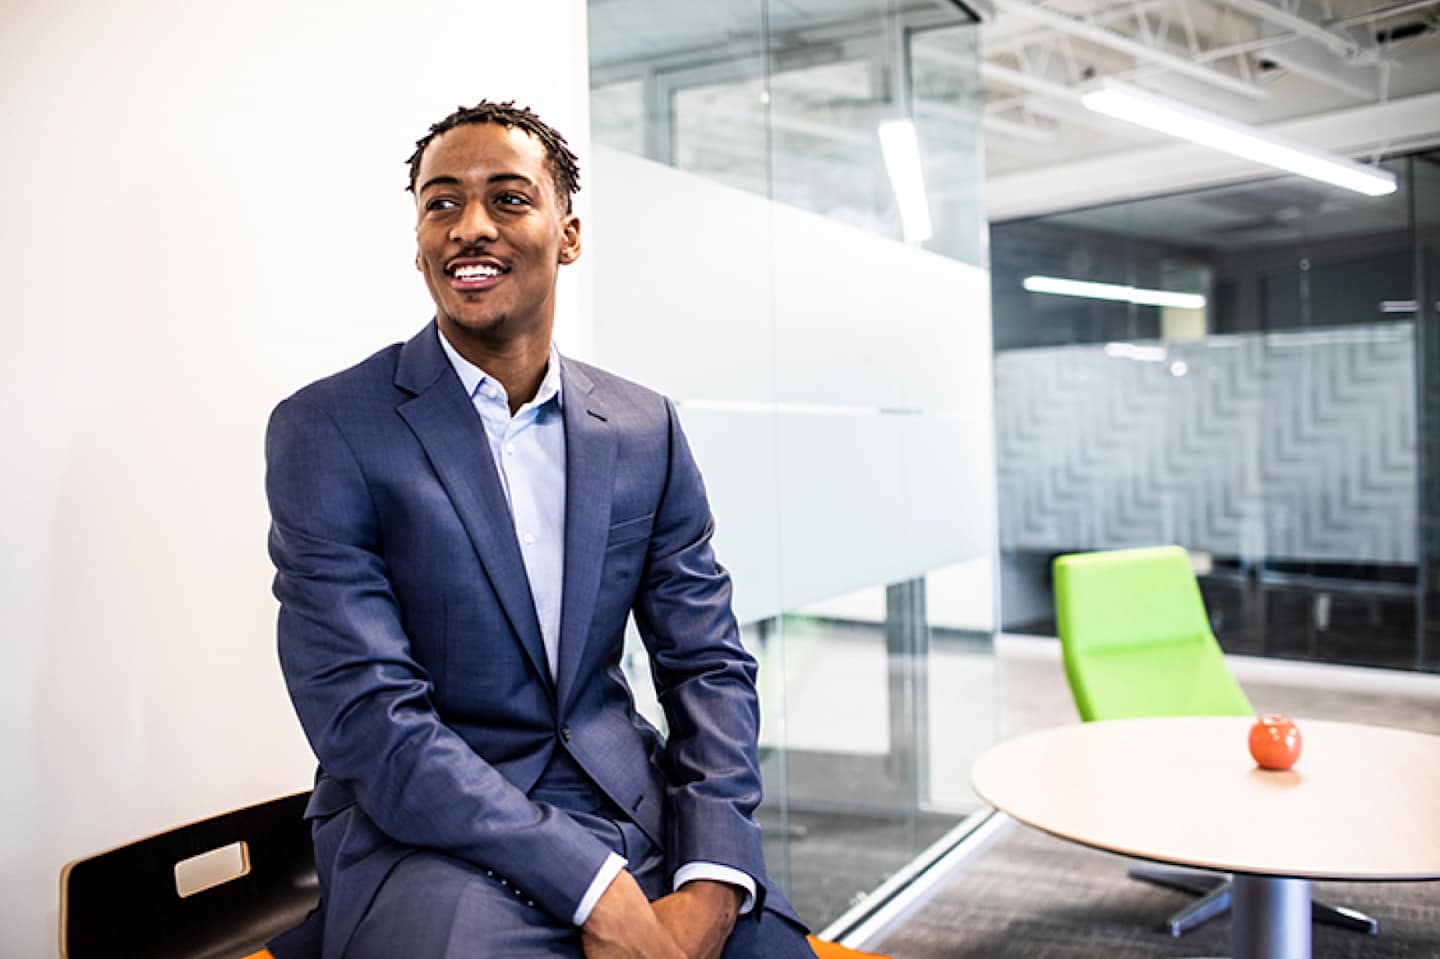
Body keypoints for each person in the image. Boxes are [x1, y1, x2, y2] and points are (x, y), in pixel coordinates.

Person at [264, 100, 816, 959]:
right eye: (440, 203)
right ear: (417, 243)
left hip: (632, 809)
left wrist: (711, 872)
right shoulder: (329, 429)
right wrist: (595, 889)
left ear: (569, 234)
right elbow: (369, 717)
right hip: (431, 839)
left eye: (508, 199)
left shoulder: (644, 427)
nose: (467, 227)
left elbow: (707, 663)